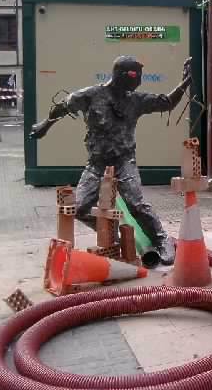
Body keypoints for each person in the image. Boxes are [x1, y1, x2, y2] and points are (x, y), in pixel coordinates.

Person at [30, 56, 193, 266]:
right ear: (121, 76)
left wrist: (185, 82)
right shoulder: (90, 95)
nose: (139, 81)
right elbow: (62, 107)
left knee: (137, 204)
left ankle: (161, 240)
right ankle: (109, 231)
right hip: (97, 164)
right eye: (136, 76)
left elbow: (167, 103)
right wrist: (45, 125)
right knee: (78, 208)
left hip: (125, 161)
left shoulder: (136, 100)